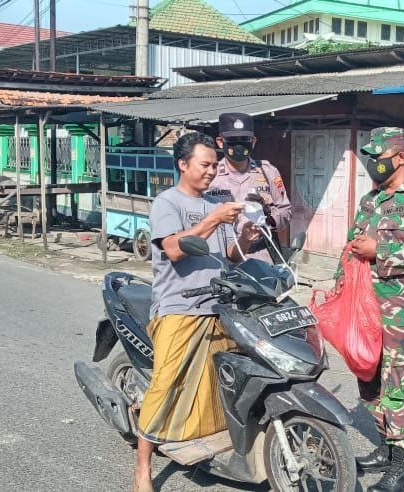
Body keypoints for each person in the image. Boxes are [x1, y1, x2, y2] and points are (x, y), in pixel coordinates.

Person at [132, 132, 260, 492]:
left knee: (224, 384)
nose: (211, 171)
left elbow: (226, 258)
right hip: (180, 308)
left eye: (215, 166)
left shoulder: (213, 205)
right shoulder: (167, 203)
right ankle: (142, 468)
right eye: (205, 165)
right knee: (165, 385)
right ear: (183, 165)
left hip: (219, 307)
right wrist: (216, 219)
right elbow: (174, 249)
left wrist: (245, 239)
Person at [340, 127, 404, 492]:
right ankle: (386, 449)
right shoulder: (371, 199)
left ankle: (403, 467)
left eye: (378, 156)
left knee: (401, 387)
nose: (372, 163)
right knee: (369, 381)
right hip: (364, 308)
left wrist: (379, 251)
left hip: (399, 312)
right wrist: (339, 290)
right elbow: (353, 246)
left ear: (400, 157)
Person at [208, 112, 292, 263]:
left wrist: (268, 217)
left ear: (253, 142)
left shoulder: (267, 171)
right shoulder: (210, 176)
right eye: (233, 140)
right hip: (223, 258)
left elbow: (286, 211)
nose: (239, 144)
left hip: (262, 256)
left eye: (244, 140)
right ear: (220, 142)